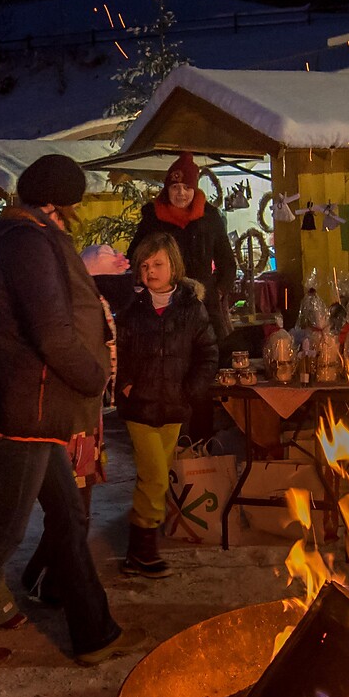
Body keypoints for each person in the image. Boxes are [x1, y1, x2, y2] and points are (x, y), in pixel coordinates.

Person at [0, 154, 130, 670]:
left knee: (68, 515)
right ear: (59, 205)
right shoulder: (29, 244)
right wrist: (95, 375)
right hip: (26, 409)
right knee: (6, 529)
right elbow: (52, 332)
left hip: (30, 406)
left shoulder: (19, 239)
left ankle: (95, 631)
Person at [114, 231, 218, 579]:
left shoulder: (191, 309)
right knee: (155, 477)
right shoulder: (132, 308)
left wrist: (191, 390)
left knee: (156, 477)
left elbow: (208, 354)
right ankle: (143, 549)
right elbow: (118, 350)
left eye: (157, 264)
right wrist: (126, 384)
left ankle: (137, 548)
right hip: (139, 407)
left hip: (174, 408)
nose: (150, 271)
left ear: (174, 266)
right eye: (144, 265)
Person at [132, 152, 237, 339]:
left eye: (187, 187)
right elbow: (135, 256)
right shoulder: (153, 219)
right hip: (164, 302)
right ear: (167, 189)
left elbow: (226, 261)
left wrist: (219, 290)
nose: (181, 193)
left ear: (194, 189)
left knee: (213, 351)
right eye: (175, 187)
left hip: (205, 301)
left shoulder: (209, 217)